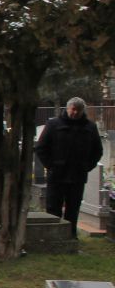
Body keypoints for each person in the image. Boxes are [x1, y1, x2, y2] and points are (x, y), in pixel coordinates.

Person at [35, 97, 104, 238]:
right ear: (67, 109)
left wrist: (87, 167)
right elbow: (41, 148)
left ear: (83, 111)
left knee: (73, 208)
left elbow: (97, 151)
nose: (75, 112)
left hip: (78, 175)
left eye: (79, 110)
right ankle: (53, 236)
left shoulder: (90, 127)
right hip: (57, 175)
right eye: (73, 109)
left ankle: (71, 235)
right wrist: (51, 166)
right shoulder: (54, 124)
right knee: (53, 207)